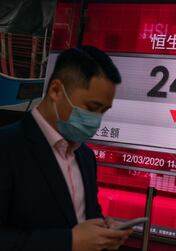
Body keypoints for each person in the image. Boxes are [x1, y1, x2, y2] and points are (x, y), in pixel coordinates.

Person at [0, 46, 132, 251]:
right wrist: (69, 242)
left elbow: (86, 216)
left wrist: (104, 230)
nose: (96, 120)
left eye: (103, 111)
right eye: (91, 107)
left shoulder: (85, 157)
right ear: (56, 91)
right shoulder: (8, 147)